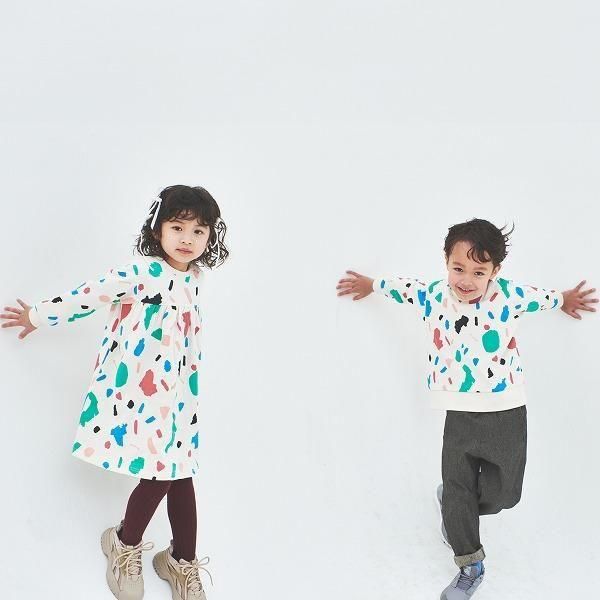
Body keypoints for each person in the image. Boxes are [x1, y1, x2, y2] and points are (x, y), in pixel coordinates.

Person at [336, 218, 597, 599]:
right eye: (458, 268)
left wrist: (564, 299)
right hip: (457, 412)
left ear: (495, 272)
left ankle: (454, 505)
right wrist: (372, 284)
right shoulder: (433, 295)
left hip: (506, 410)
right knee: (459, 490)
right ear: (445, 262)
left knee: (506, 494)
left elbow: (542, 297)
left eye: (479, 272)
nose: (466, 280)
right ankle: (469, 563)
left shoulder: (509, 295)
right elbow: (403, 288)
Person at [1, 184, 229, 600]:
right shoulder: (141, 273)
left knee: (181, 472)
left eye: (198, 231)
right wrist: (37, 315)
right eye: (177, 228)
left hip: (180, 398)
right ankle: (123, 543)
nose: (187, 239)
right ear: (158, 230)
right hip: (139, 396)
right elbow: (89, 295)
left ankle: (180, 560)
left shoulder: (195, 278)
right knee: (161, 473)